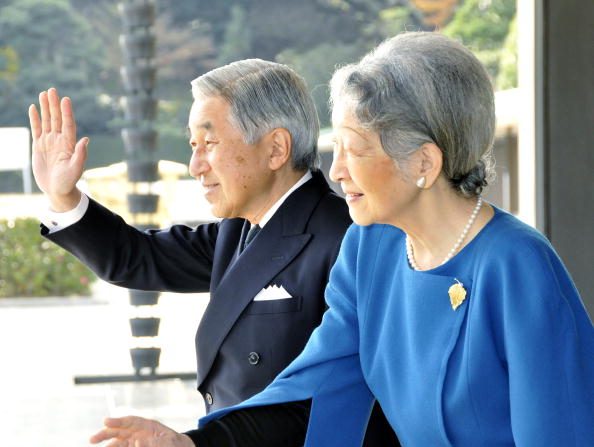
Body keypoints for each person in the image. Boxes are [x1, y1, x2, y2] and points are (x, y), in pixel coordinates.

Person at [90, 31, 594, 446]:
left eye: (354, 151)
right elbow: (312, 384)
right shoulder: (369, 249)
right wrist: (194, 443)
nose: (336, 172)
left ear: (423, 162)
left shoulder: (519, 266)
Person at [30, 60, 398, 445]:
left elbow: (331, 400)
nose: (195, 166)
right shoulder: (238, 229)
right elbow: (139, 257)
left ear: (276, 149)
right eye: (193, 145)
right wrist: (64, 196)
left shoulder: (347, 241)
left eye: (209, 144)